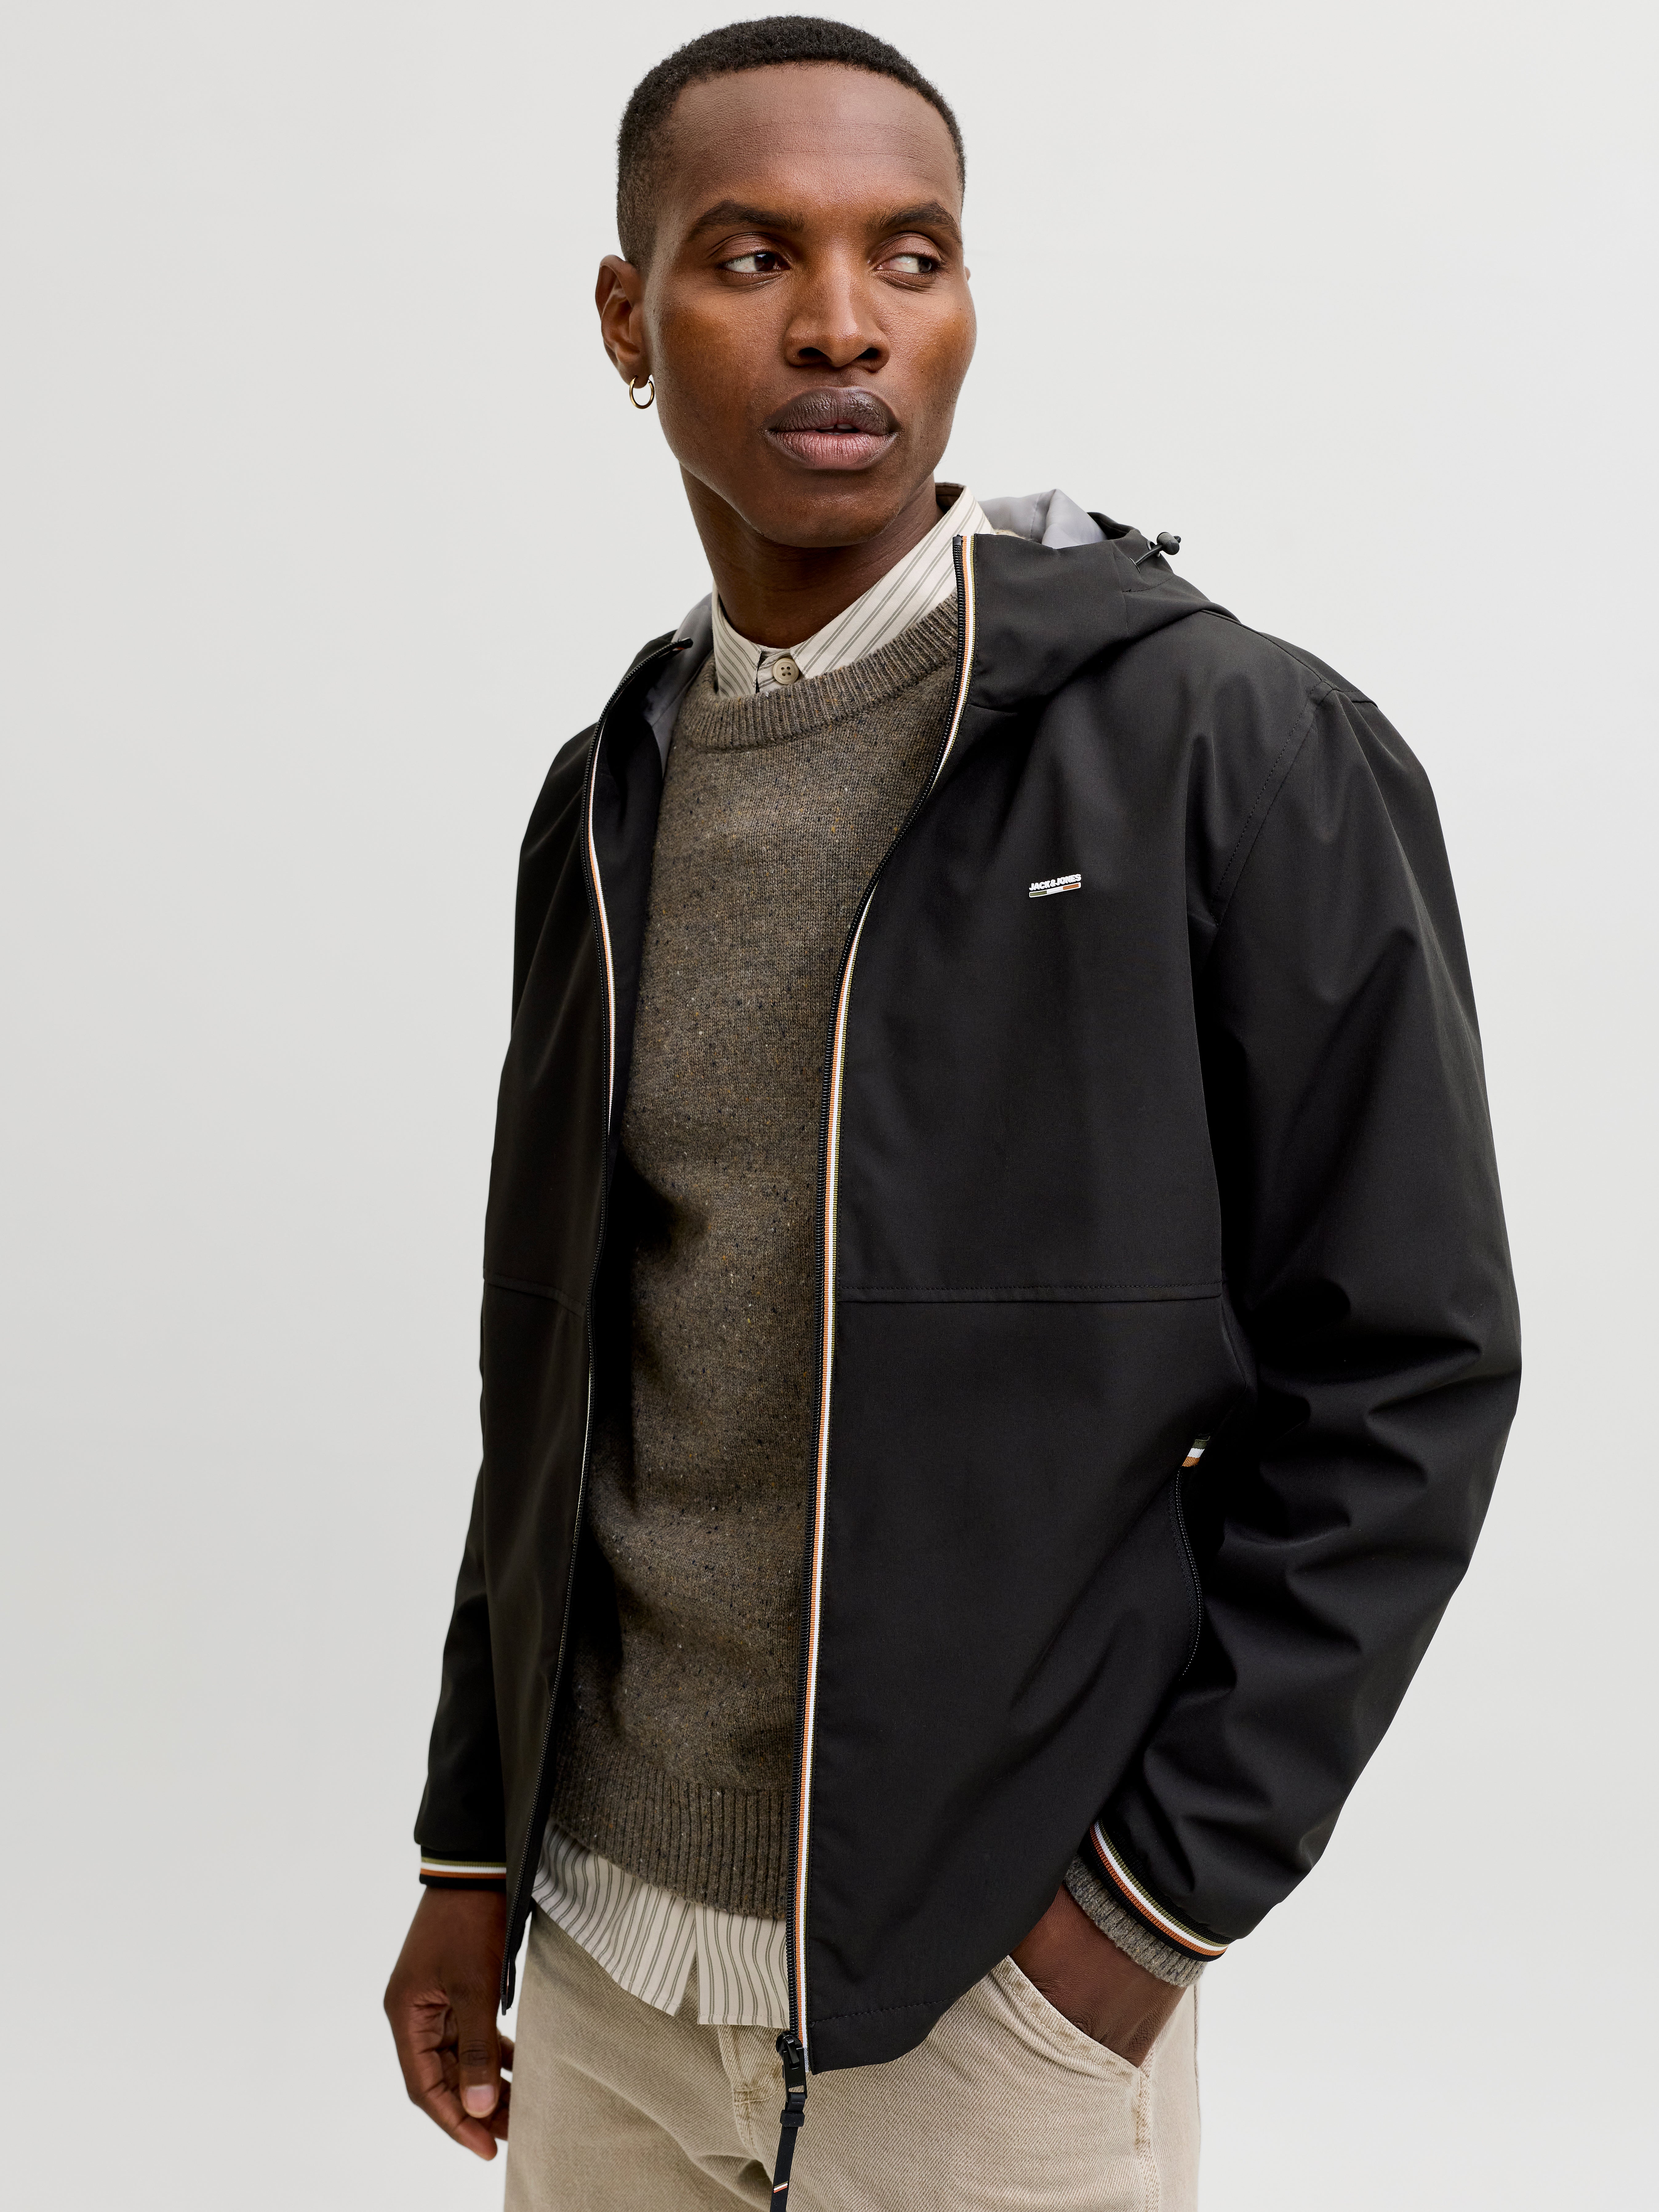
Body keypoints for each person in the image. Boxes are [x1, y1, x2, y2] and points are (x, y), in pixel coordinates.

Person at [383, 18, 1520, 2209]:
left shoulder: (1231, 745)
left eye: (909, 256)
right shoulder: (608, 797)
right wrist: (470, 1845)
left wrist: (1135, 1925)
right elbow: (565, 1377)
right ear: (625, 317)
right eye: (752, 257)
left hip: (986, 1997)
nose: (844, 324)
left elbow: (1409, 1372)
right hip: (603, 1964)